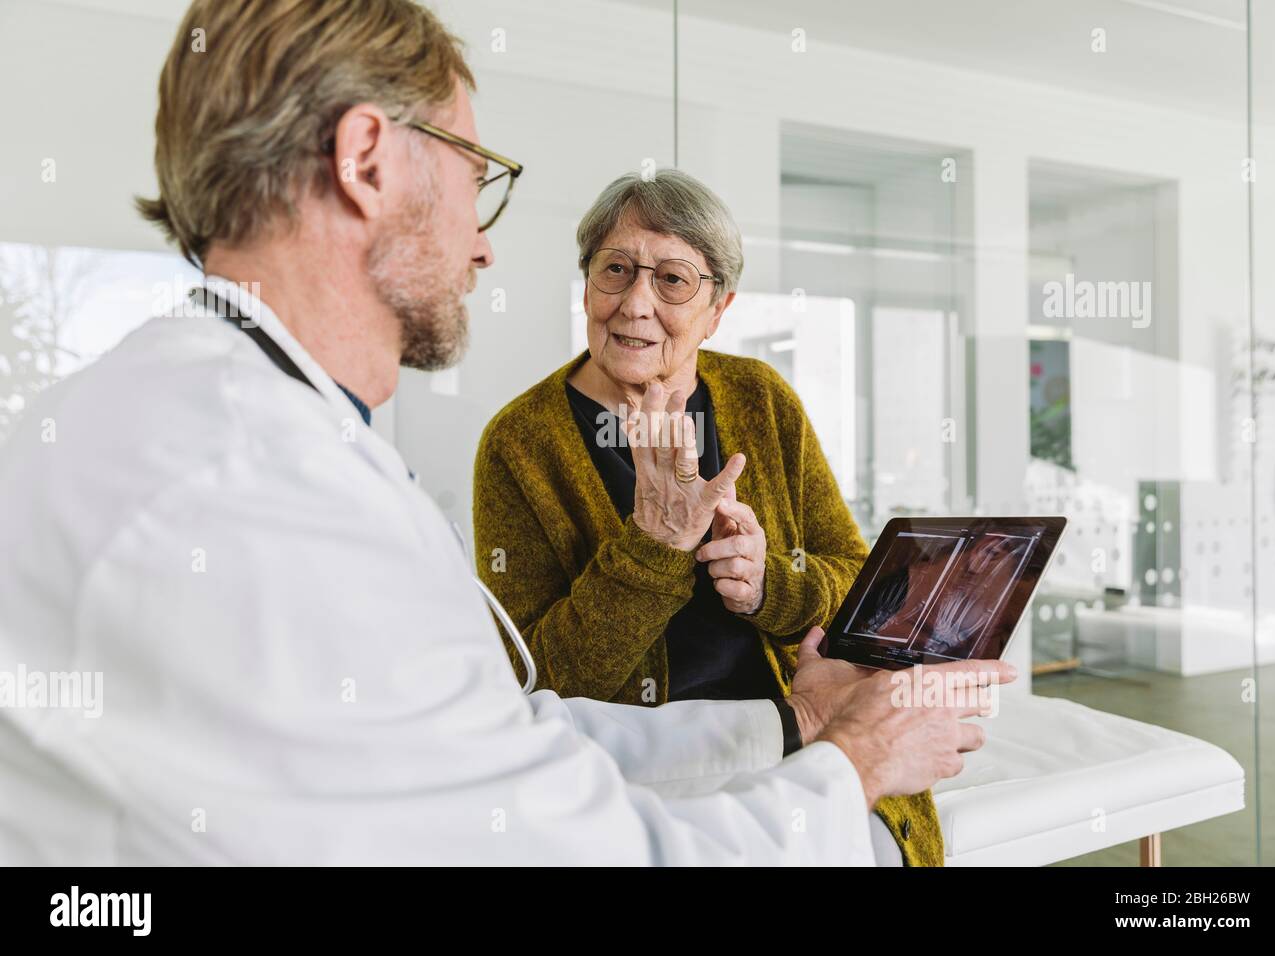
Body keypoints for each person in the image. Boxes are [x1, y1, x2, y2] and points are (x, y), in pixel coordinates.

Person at [0, 0, 1011, 865]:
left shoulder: (251, 430)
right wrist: (858, 763)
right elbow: (556, 847)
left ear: (718, 302)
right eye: (474, 172)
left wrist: (800, 722)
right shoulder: (255, 489)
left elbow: (514, 736)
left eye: (675, 278)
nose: (484, 244)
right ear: (365, 160)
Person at [473, 170, 941, 864]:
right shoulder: (520, 443)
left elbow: (862, 587)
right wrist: (654, 547)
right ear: (586, 285)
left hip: (799, 736)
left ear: (719, 308)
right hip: (639, 777)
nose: (635, 303)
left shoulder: (762, 398)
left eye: (672, 280)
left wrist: (770, 586)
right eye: (616, 270)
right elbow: (536, 683)